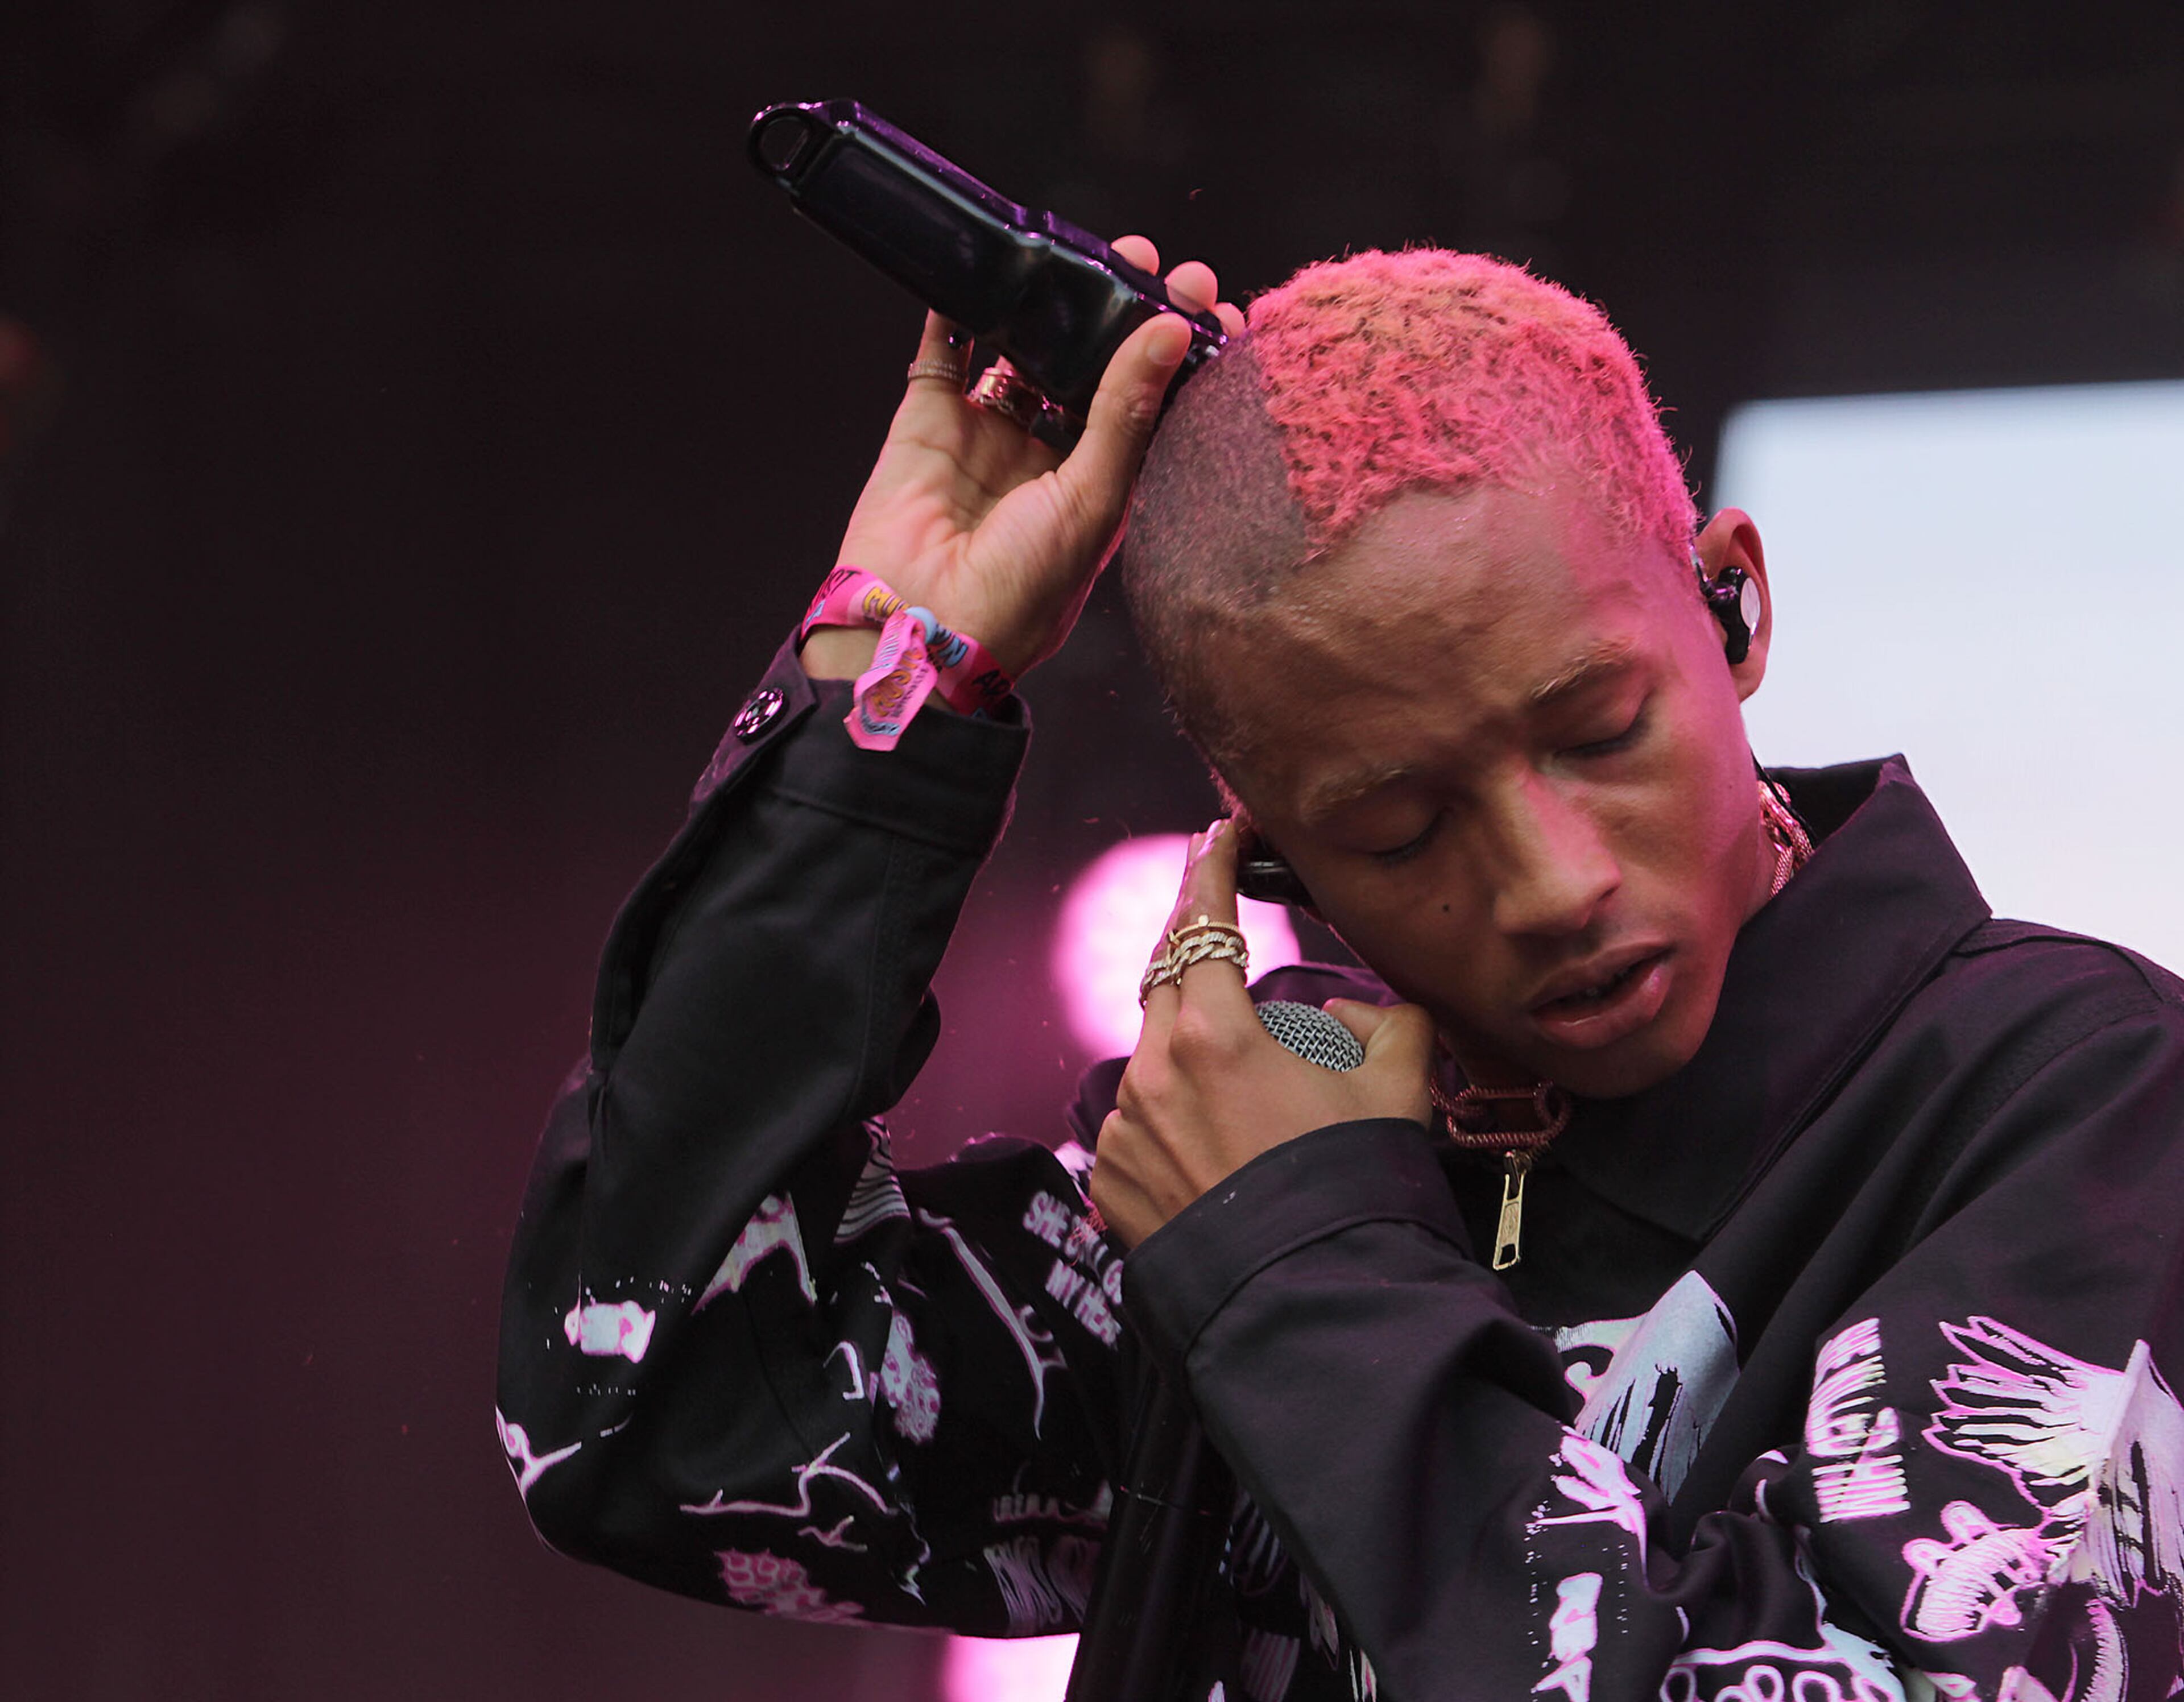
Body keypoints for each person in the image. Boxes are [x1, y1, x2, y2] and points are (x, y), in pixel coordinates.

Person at [495, 239, 2184, 1702]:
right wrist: (895, 693)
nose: (1554, 880)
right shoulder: (1277, 1172)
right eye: (1395, 828)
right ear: (1265, 831)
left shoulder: (2074, 1098)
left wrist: (1309, 1276)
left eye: (1601, 732)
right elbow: (646, 1414)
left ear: (1728, 602)